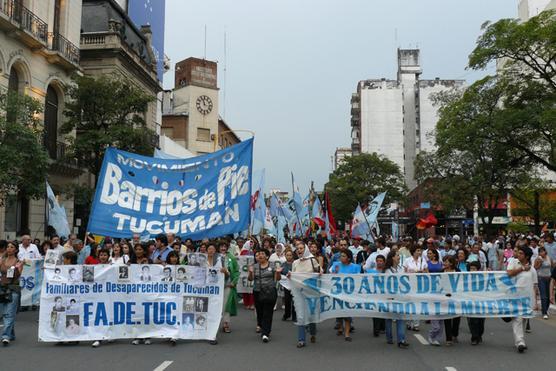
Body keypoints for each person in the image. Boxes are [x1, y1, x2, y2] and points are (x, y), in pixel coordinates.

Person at [506, 246, 539, 353]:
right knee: (518, 319)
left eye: (521, 253)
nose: (518, 254)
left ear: (527, 256)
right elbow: (509, 273)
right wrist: (522, 269)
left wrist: (535, 302)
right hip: (514, 297)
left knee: (523, 319)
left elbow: (534, 286)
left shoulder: (532, 270)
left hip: (527, 299)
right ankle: (520, 342)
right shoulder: (513, 262)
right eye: (518, 252)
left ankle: (519, 340)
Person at [290, 242, 322, 347]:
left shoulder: (312, 260)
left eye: (301, 248)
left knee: (311, 314)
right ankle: (301, 340)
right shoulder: (295, 262)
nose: (299, 250)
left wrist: (319, 271)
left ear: (306, 250)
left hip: (311, 292)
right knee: (300, 316)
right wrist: (289, 275)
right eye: (297, 248)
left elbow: (320, 272)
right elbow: (293, 275)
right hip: (299, 293)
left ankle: (313, 332)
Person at [248, 249, 281, 343]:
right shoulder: (254, 266)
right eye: (259, 254)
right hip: (257, 291)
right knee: (260, 312)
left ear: (267, 256)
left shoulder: (273, 265)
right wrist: (250, 272)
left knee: (268, 312)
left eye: (263, 254)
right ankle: (261, 325)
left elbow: (278, 279)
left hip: (270, 291)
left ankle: (265, 333)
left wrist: (278, 273)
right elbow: (250, 279)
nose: (260, 256)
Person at [329, 248, 360, 341]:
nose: (341, 258)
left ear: (349, 258)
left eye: (343, 256)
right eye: (340, 256)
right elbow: (330, 276)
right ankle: (340, 327)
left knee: (347, 312)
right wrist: (334, 272)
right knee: (339, 311)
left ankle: (347, 334)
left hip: (349, 294)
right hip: (338, 292)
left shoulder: (355, 267)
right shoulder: (336, 265)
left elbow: (358, 279)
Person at [383, 250, 409, 348]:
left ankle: (401, 340)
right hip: (390, 298)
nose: (399, 257)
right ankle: (389, 338)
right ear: (393, 257)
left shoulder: (401, 269)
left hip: (400, 297)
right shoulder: (387, 271)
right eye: (397, 255)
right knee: (389, 318)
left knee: (400, 318)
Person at [0, 241, 24, 345]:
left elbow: (18, 276)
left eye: (11, 247)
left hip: (13, 289)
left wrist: (19, 268)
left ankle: (5, 336)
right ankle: (12, 334)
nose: (9, 249)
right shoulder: (2, 260)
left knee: (9, 313)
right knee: (5, 312)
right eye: (8, 247)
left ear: (15, 250)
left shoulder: (18, 261)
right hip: (3, 289)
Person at [403, 244, 428, 331]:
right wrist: (411, 272)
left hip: (419, 285)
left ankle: (416, 324)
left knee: (417, 304)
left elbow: (427, 272)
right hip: (409, 285)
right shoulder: (407, 260)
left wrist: (422, 272)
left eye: (420, 250)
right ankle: (408, 322)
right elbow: (404, 273)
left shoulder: (423, 260)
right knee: (409, 304)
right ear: (413, 251)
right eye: (417, 250)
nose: (419, 252)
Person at [219, 242, 240, 335]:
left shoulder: (232, 258)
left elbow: (236, 271)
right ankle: (213, 325)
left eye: (225, 246)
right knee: (215, 306)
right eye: (221, 246)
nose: (223, 248)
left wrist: (233, 282)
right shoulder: (214, 257)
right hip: (215, 287)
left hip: (227, 285)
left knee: (226, 305)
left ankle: (226, 324)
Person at [427, 249, 443, 346]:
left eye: (430, 253)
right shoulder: (426, 263)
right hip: (430, 289)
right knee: (434, 311)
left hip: (440, 289)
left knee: (441, 314)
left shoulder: (440, 263)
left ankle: (437, 338)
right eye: (428, 253)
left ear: (434, 254)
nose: (429, 255)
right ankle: (432, 334)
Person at [442, 255, 460, 345]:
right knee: (447, 317)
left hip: (456, 297)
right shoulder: (441, 272)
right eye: (444, 261)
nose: (444, 263)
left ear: (451, 263)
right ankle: (448, 338)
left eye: (446, 261)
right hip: (445, 297)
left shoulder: (458, 271)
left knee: (456, 317)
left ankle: (455, 334)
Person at [533, 246, 552, 319]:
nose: (541, 253)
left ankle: (546, 309)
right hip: (541, 279)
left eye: (542, 251)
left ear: (545, 252)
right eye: (540, 252)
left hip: (549, 278)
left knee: (548, 296)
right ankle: (544, 312)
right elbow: (535, 268)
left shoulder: (549, 258)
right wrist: (540, 263)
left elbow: (552, 266)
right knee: (543, 296)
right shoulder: (538, 259)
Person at [280, 249, 296, 322]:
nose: (289, 257)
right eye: (287, 255)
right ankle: (287, 315)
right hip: (286, 285)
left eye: (290, 255)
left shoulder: (295, 263)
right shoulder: (283, 264)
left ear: (292, 256)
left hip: (294, 285)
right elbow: (281, 273)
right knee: (287, 300)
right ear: (285, 256)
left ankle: (294, 316)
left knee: (294, 301)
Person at [240, 241, 255, 310]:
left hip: (251, 271)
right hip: (244, 272)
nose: (251, 245)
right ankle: (247, 303)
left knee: (251, 288)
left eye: (252, 244)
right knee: (245, 288)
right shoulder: (243, 252)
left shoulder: (253, 251)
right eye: (250, 244)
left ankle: (251, 303)